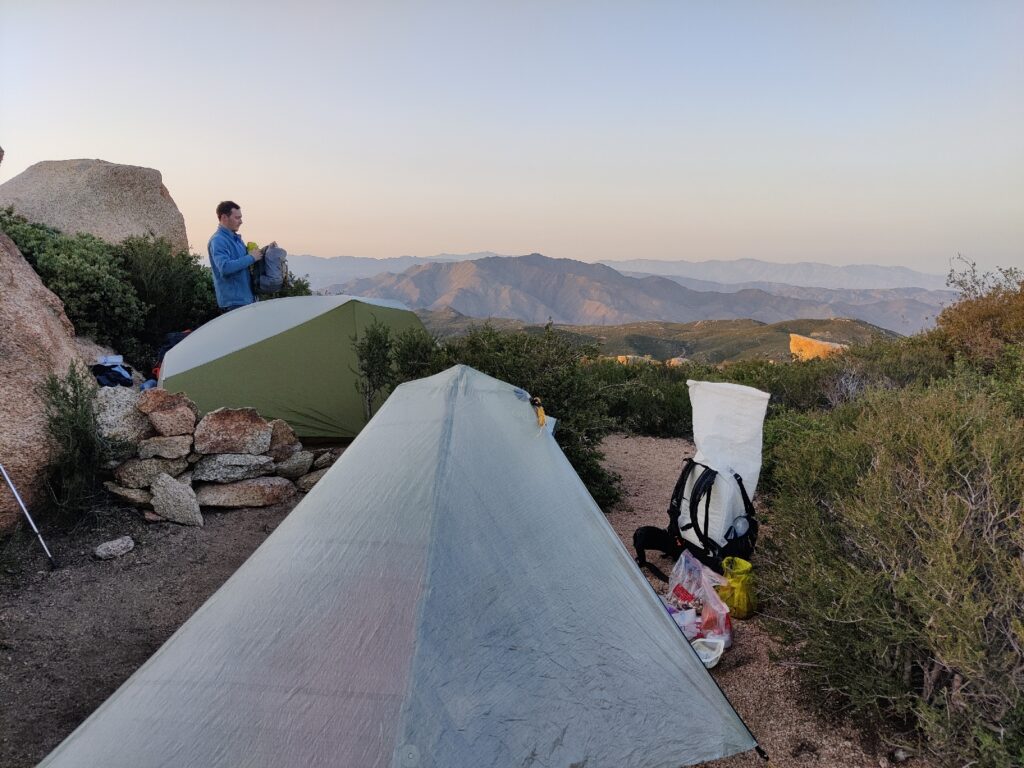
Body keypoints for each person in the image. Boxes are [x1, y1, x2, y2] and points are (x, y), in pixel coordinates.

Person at [208, 200, 263, 311]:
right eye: (237, 218)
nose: (241, 221)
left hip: (247, 300)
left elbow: (244, 265)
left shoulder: (237, 240)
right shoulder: (218, 240)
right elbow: (225, 267)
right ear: (224, 217)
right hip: (234, 303)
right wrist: (251, 257)